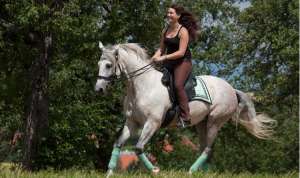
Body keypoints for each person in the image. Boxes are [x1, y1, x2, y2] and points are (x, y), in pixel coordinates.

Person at [151, 4, 198, 125]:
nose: (168, 15)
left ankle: (185, 117)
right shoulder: (165, 30)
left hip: (183, 62)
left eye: (171, 13)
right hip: (169, 62)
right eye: (168, 13)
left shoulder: (183, 31)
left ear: (178, 15)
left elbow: (181, 52)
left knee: (178, 85)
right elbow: (161, 49)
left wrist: (163, 57)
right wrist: (155, 56)